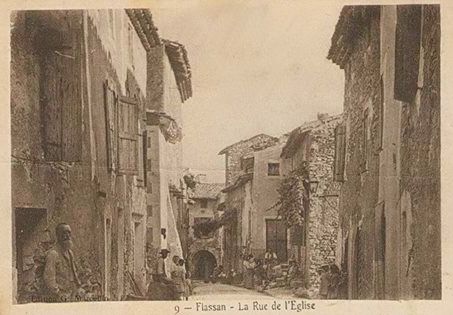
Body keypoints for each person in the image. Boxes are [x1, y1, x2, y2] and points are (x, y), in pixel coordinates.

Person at [43, 223, 82, 302]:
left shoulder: (70, 252)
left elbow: (74, 273)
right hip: (59, 297)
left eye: (69, 233)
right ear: (58, 235)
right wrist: (58, 293)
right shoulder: (53, 254)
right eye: (64, 233)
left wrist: (79, 287)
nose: (67, 236)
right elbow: (49, 280)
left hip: (72, 294)